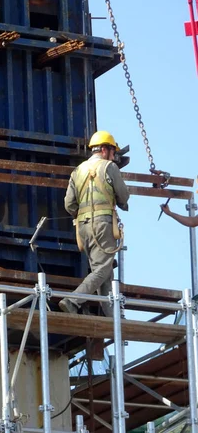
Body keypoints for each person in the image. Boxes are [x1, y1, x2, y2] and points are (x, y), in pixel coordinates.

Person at [60, 131, 130, 316]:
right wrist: (121, 203)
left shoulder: (78, 170)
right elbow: (123, 196)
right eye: (113, 152)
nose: (114, 156)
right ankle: (72, 300)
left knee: (103, 272)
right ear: (106, 150)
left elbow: (69, 204)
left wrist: (83, 214)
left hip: (83, 227)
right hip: (102, 225)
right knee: (103, 268)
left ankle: (113, 318)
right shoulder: (109, 167)